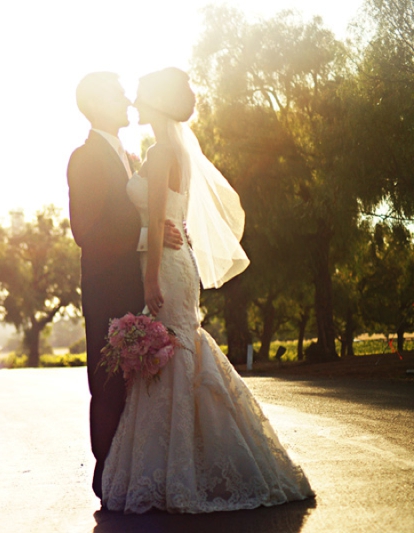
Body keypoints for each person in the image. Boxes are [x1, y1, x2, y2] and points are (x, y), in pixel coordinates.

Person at [101, 67, 314, 513]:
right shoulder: (169, 149)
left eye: (140, 95)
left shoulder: (161, 154)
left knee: (173, 355)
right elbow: (168, 218)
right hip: (179, 263)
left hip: (164, 266)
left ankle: (180, 473)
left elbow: (159, 222)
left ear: (156, 103)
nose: (135, 102)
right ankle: (187, 464)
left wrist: (149, 276)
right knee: (179, 352)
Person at [66, 72, 184, 503]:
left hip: (137, 285)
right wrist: (144, 238)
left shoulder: (128, 155)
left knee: (139, 382)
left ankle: (135, 471)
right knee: (108, 381)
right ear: (97, 104)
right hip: (105, 289)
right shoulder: (85, 158)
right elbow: (85, 232)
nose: (126, 99)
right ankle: (107, 476)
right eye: (117, 93)